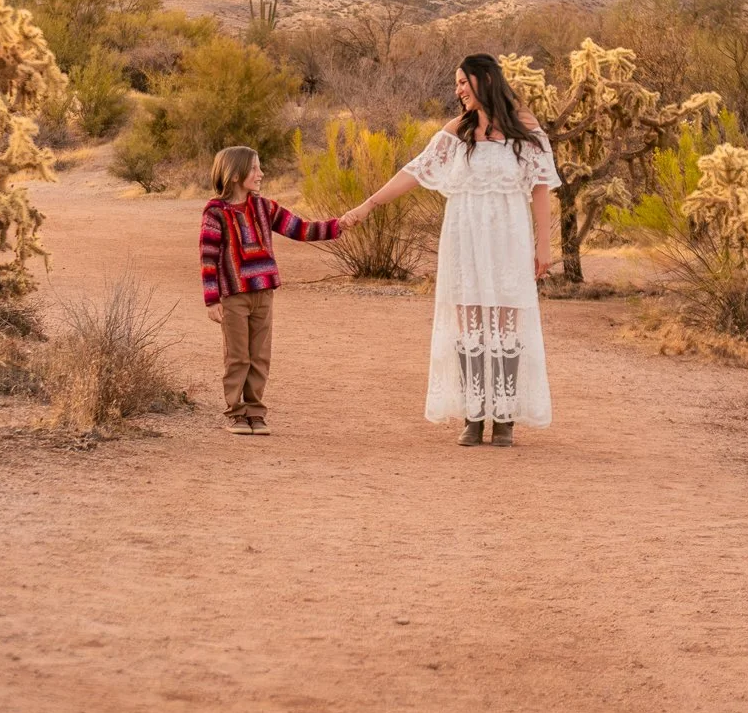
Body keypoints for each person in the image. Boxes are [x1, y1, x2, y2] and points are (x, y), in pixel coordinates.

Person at [342, 55, 559, 446]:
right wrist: (369, 205)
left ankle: (505, 417)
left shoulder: (525, 128)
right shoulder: (457, 131)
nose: (458, 90)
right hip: (465, 236)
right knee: (470, 321)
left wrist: (543, 244)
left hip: (509, 235)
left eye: (463, 82)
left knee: (507, 323)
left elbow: (541, 187)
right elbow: (413, 171)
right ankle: (474, 416)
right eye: (457, 83)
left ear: (484, 79)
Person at [199, 146, 343, 437]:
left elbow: (301, 229)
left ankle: (255, 411)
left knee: (260, 354)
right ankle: (236, 413)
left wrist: (339, 226)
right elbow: (208, 256)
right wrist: (211, 299)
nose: (261, 174)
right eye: (255, 168)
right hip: (234, 296)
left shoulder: (265, 208)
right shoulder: (215, 212)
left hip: (264, 293)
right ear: (236, 173)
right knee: (238, 355)